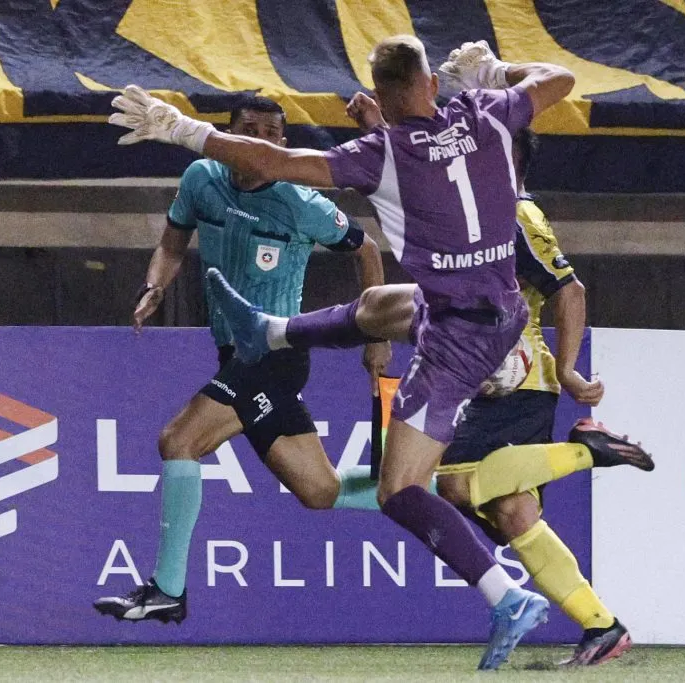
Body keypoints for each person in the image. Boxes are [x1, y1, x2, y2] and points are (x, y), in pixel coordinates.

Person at [108, 37, 644, 670]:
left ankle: (507, 596)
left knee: (401, 490)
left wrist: (182, 128)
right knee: (375, 308)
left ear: (384, 97)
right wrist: (496, 70)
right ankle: (275, 331)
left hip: (456, 337)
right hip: (488, 308)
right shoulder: (487, 113)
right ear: (431, 85)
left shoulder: (385, 151)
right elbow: (560, 76)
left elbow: (270, 161)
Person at [340, 93, 640, 666]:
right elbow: (417, 178)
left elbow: (569, 290)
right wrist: (380, 126)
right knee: (513, 513)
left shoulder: (516, 213)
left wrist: (570, 368)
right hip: (488, 376)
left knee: (443, 483)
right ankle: (603, 627)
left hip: (512, 380)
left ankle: (585, 453)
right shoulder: (481, 204)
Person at [93, 95, 392, 625]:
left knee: (178, 440)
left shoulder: (303, 203)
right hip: (236, 352)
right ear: (229, 136)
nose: (259, 137)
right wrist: (155, 286)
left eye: (270, 131)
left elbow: (367, 250)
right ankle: (452, 490)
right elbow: (172, 240)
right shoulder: (200, 179)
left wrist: (377, 336)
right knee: (319, 491)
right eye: (247, 128)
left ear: (281, 143)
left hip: (275, 355)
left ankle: (168, 589)